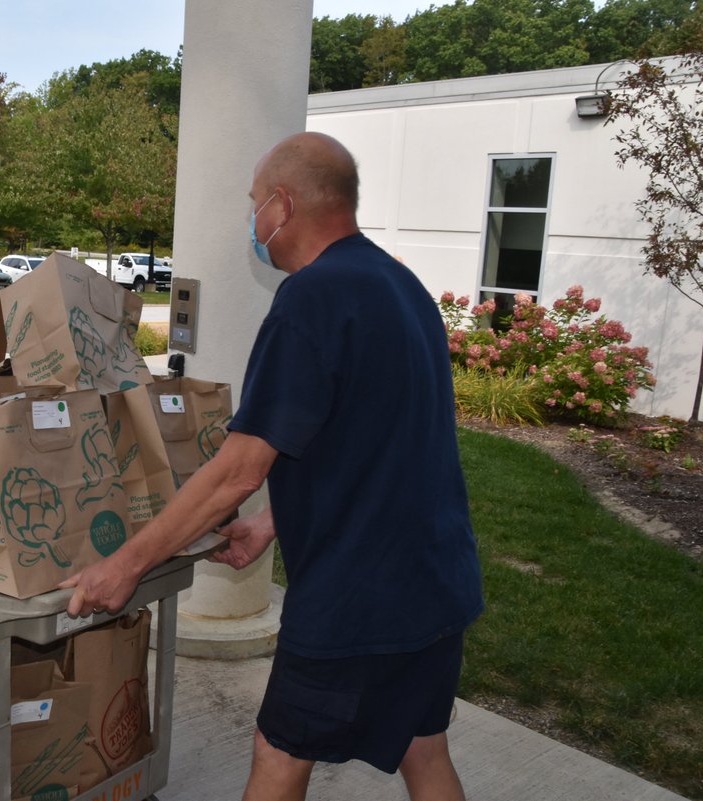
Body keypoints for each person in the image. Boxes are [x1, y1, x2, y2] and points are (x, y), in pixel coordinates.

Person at [60, 132, 484, 801]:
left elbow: (236, 470)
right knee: (422, 748)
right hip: (438, 582)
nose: (251, 220)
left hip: (359, 596)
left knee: (280, 752)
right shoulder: (402, 287)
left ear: (282, 207)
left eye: (254, 203)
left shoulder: (310, 299)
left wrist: (127, 563)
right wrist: (266, 525)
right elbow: (373, 439)